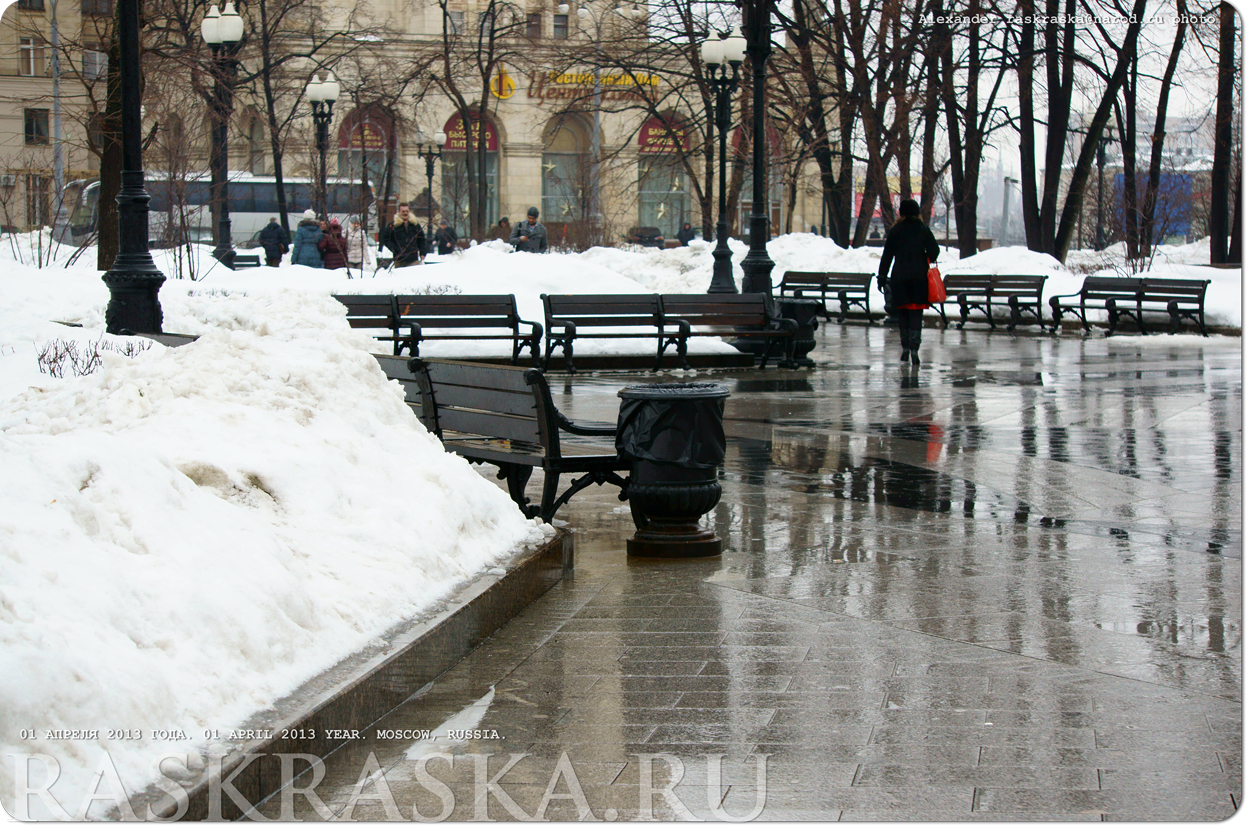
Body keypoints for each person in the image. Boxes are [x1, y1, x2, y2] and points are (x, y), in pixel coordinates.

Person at [877, 198, 940, 366]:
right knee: (916, 313)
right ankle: (914, 349)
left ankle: (904, 348)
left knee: (903, 312)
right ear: (917, 212)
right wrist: (927, 256)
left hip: (899, 277)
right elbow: (934, 250)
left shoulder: (896, 231)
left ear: (901, 213)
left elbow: (887, 256)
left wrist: (882, 277)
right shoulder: (923, 229)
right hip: (919, 277)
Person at [379, 202, 426, 267]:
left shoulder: (415, 225)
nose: (405, 213)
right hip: (399, 260)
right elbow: (386, 238)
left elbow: (421, 239)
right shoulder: (393, 225)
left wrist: (422, 253)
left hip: (413, 259)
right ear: (399, 212)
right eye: (403, 211)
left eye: (407, 211)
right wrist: (394, 248)